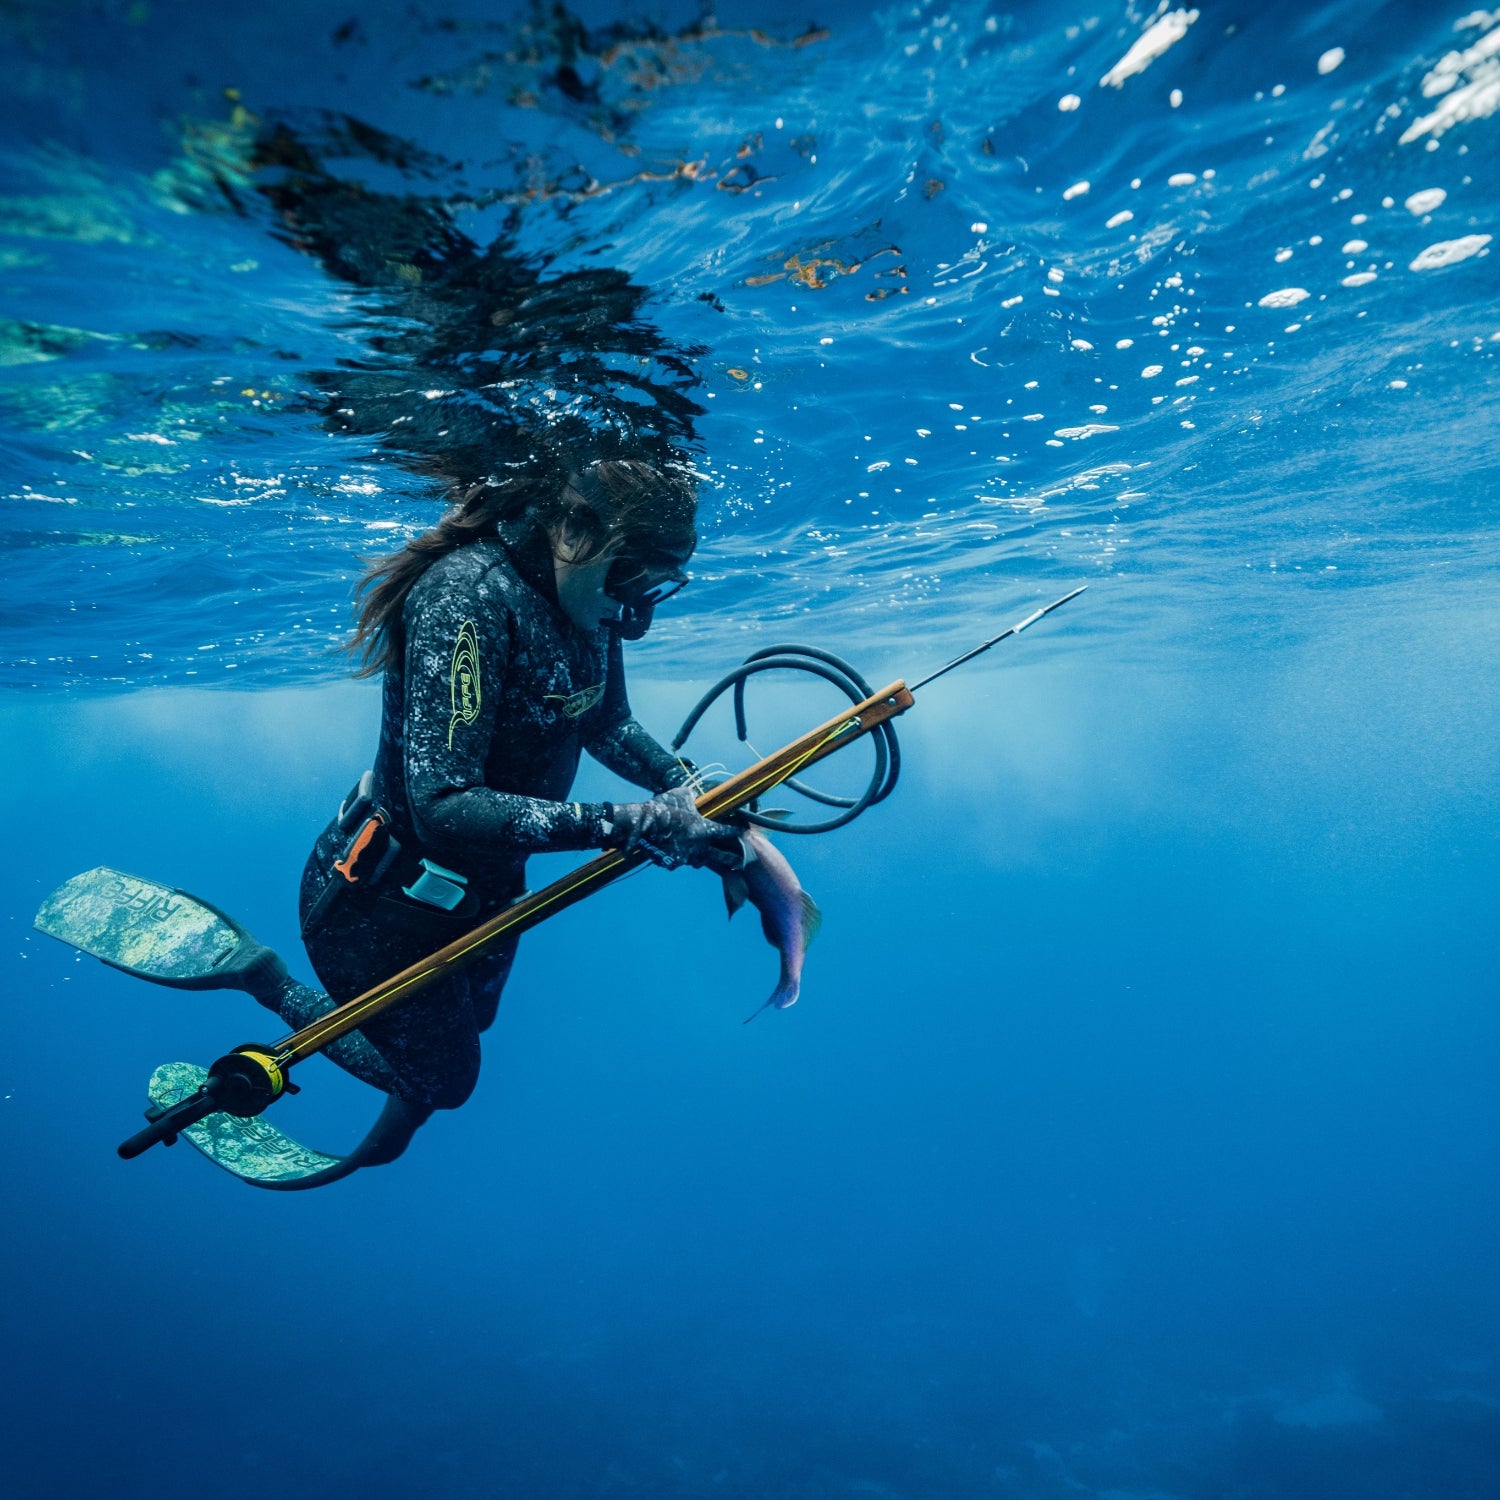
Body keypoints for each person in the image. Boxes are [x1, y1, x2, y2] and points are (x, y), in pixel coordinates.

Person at [251, 456, 744, 1162]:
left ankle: (397, 1120)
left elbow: (602, 721)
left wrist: (685, 786)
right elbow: (443, 805)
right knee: (447, 1083)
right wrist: (633, 825)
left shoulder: (587, 595)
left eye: (658, 587)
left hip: (483, 896)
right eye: (631, 579)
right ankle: (270, 983)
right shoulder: (467, 597)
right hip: (378, 904)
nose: (636, 615)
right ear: (573, 527)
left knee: (470, 1023)